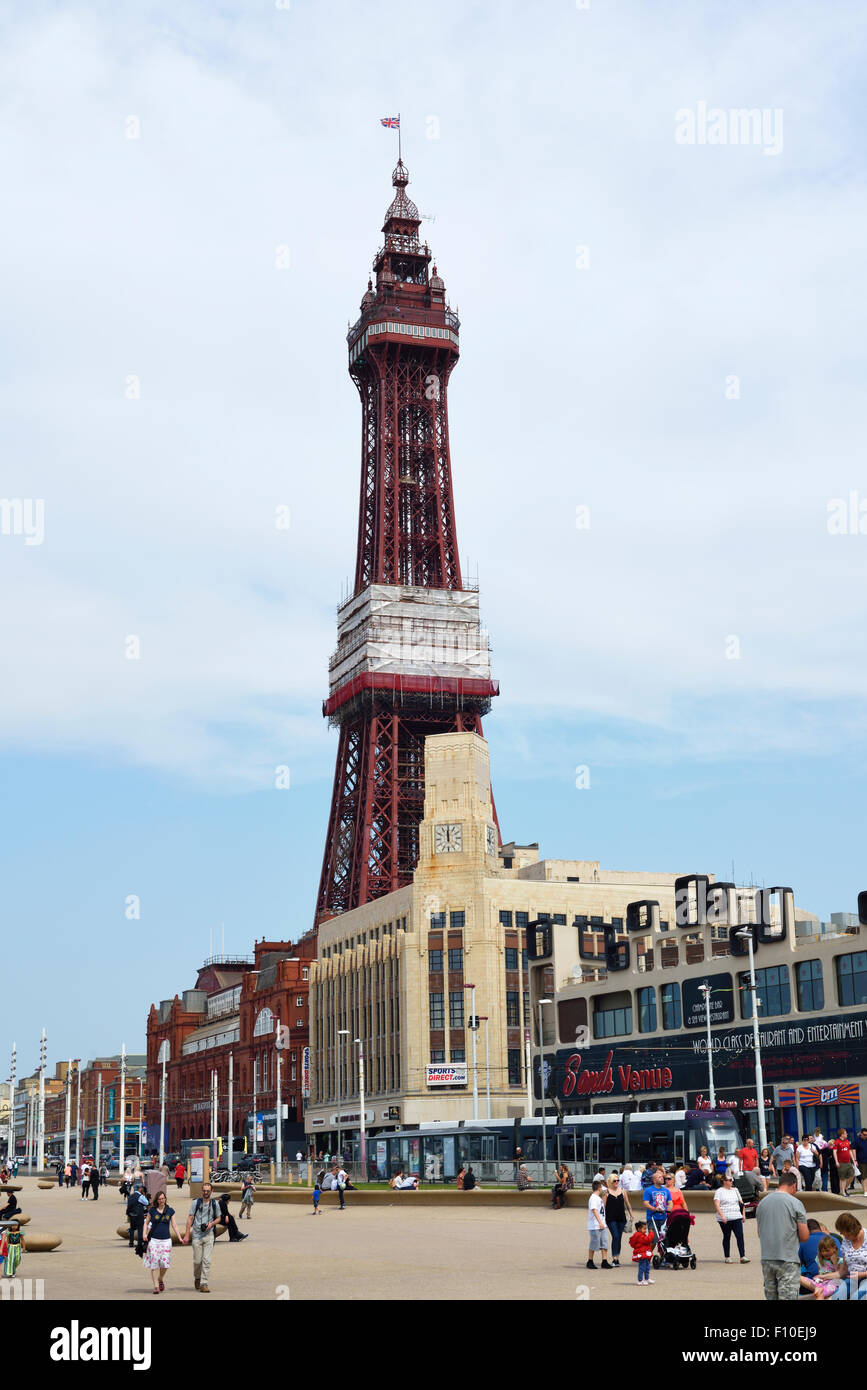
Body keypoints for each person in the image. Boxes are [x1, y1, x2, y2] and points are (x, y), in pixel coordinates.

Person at [755, 1169, 809, 1300]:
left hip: (767, 1258)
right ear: (794, 1185)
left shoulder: (762, 1203)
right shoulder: (795, 1203)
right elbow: (804, 1236)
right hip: (787, 1259)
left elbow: (759, 1232)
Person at [142, 1190, 182, 1294]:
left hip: (166, 1240)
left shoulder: (170, 1210)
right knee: (155, 1263)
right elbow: (146, 1223)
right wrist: (144, 1234)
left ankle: (160, 1278)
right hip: (154, 1240)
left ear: (165, 1199)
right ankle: (155, 1286)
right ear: (157, 1200)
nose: (161, 1201)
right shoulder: (152, 1211)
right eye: (160, 1199)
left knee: (165, 1264)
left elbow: (174, 1225)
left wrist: (179, 1237)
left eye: (163, 1198)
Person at [182, 1181, 220, 1293]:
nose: (206, 1193)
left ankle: (204, 1283)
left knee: (206, 1260)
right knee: (198, 1261)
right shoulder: (196, 1203)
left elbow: (219, 1218)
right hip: (197, 1235)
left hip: (209, 1235)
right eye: (204, 1191)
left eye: (208, 1191)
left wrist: (211, 1224)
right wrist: (187, 1234)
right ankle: (197, 1278)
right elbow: (190, 1218)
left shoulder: (215, 1204)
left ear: (211, 1191)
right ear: (202, 1191)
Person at [827, 1212, 867, 1300]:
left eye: (841, 1230)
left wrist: (862, 1274)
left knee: (856, 1297)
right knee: (836, 1297)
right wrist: (822, 1277)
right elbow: (843, 1271)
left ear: (850, 1229)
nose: (840, 1233)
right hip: (853, 1278)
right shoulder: (846, 1241)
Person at [714, 1172, 749, 1264]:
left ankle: (742, 1256)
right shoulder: (719, 1191)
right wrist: (722, 1216)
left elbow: (741, 1203)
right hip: (725, 1217)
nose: (731, 1181)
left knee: (740, 1236)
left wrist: (743, 1214)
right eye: (730, 1180)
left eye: (732, 1180)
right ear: (724, 1181)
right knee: (727, 1236)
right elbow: (717, 1205)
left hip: (736, 1216)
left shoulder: (735, 1190)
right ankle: (727, 1257)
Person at [798, 1218, 841, 1291]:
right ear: (819, 1228)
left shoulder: (803, 1242)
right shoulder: (835, 1239)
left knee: (796, 1276)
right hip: (832, 1279)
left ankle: (819, 1290)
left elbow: (795, 1263)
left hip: (816, 1281)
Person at [605, 1173, 634, 1267]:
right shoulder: (606, 1192)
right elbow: (602, 1206)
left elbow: (628, 1204)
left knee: (619, 1238)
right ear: (610, 1182)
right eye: (614, 1181)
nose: (617, 1182)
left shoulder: (623, 1191)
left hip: (621, 1218)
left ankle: (617, 1258)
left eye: (618, 1180)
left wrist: (631, 1215)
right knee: (616, 1236)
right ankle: (614, 1258)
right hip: (610, 1218)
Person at [586, 1180, 611, 1270]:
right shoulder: (593, 1198)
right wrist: (600, 1222)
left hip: (602, 1224)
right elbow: (594, 1210)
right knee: (594, 1243)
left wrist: (605, 1196)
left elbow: (602, 1208)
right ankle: (590, 1261)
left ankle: (604, 1261)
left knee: (604, 1243)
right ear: (599, 1188)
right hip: (595, 1225)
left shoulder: (598, 1198)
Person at [642, 1169, 672, 1241]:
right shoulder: (648, 1190)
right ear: (654, 1180)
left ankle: (664, 1252)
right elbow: (646, 1203)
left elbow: (670, 1202)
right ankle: (648, 1252)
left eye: (662, 1177)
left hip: (664, 1218)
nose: (662, 1178)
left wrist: (669, 1208)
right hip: (652, 1218)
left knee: (665, 1240)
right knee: (653, 1240)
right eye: (659, 1177)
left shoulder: (666, 1190)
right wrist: (655, 1209)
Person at [629, 1220, 655, 1286]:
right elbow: (648, 1240)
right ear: (639, 1229)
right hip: (642, 1254)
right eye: (644, 1229)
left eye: (646, 1229)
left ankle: (646, 1279)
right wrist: (651, 1233)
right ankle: (640, 1280)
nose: (645, 1230)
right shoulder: (639, 1236)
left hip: (645, 1253)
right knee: (642, 1267)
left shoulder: (641, 1234)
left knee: (647, 1267)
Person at [830, 1129, 855, 1197]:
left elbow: (849, 1151)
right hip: (841, 1163)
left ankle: (845, 1188)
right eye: (845, 1133)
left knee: (852, 1175)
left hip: (848, 1162)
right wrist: (836, 1161)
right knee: (842, 1178)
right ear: (842, 1134)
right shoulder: (837, 1142)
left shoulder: (847, 1141)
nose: (847, 1134)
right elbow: (834, 1152)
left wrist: (853, 1160)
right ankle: (843, 1192)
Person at [126, 1186, 148, 1253]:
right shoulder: (140, 1196)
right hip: (139, 1215)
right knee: (140, 1229)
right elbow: (146, 1203)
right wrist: (143, 1196)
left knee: (132, 1229)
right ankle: (139, 1243)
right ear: (140, 1190)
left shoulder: (130, 1196)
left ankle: (131, 1242)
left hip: (132, 1214)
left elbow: (128, 1205)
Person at [854, 1128, 867, 1194]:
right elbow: (853, 1150)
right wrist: (855, 1160)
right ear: (861, 1134)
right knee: (864, 1177)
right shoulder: (857, 1141)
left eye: (866, 1135)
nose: (865, 1136)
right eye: (864, 1135)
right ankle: (865, 1191)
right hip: (862, 1161)